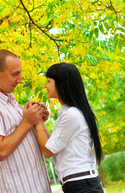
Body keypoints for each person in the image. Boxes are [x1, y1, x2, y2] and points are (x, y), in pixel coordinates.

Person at [0, 49, 52, 192]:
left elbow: (23, 134)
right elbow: (0, 151)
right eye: (15, 74)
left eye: (20, 74)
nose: (20, 80)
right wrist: (27, 122)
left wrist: (37, 119)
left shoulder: (9, 101)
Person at [34, 63, 104, 193]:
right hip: (80, 183)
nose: (45, 86)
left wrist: (35, 121)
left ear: (61, 84)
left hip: (81, 184)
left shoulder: (72, 115)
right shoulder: (68, 112)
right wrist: (40, 121)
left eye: (48, 81)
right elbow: (53, 145)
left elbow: (47, 151)